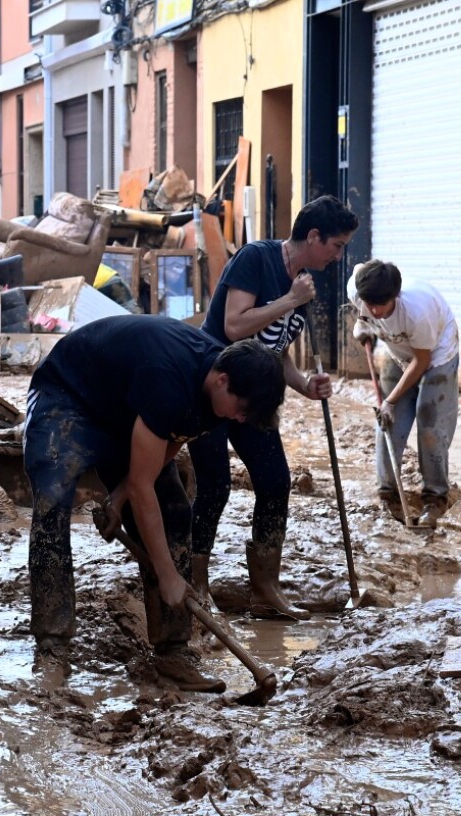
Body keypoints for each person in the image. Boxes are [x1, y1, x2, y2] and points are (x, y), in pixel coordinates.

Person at [23, 315, 286, 691]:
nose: (241, 418)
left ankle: (172, 653)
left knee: (176, 512)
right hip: (68, 394)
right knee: (52, 498)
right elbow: (145, 483)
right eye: (242, 409)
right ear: (221, 380)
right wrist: (167, 575)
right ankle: (52, 648)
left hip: (129, 409)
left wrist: (120, 494)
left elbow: (176, 436)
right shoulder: (171, 380)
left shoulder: (220, 394)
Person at [188, 195, 359, 620]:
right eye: (336, 246)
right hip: (218, 387)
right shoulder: (256, 259)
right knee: (215, 485)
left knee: (276, 480)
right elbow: (235, 324)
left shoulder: (304, 281)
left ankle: (265, 588)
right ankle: (196, 584)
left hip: (259, 393)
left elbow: (275, 347)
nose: (339, 256)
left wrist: (304, 384)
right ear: (314, 236)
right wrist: (289, 300)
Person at [348, 260, 459, 527]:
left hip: (436, 357)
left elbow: (421, 362)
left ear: (395, 295)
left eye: (380, 305)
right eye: (368, 304)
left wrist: (390, 399)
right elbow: (359, 269)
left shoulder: (417, 311)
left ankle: (435, 498)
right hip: (397, 352)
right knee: (388, 423)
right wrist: (362, 323)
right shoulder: (358, 291)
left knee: (430, 424)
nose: (373, 310)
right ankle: (388, 495)